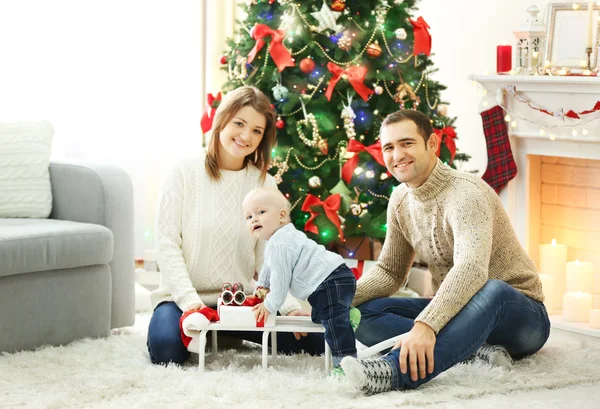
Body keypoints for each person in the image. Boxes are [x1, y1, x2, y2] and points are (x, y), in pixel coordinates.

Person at [340, 110, 550, 394]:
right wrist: (336, 301)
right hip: (462, 316)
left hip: (523, 317)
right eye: (389, 147)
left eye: (407, 143)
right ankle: (474, 351)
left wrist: (426, 325)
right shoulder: (400, 199)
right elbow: (389, 273)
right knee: (362, 313)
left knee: (492, 289)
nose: (397, 154)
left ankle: (392, 372)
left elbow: (471, 269)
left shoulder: (466, 194)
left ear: (432, 144)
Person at [147, 86, 324, 365]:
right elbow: (168, 244)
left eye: (256, 130)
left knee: (313, 342)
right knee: (167, 351)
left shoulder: (264, 183)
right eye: (239, 124)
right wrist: (191, 303)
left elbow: (272, 255)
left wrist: (288, 307)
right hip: (182, 299)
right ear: (222, 120)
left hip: (240, 300)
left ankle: (225, 331)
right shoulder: (183, 171)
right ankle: (217, 332)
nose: (246, 136)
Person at [242, 187, 361, 374]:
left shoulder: (280, 243)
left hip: (330, 279)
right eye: (248, 217)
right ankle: (347, 316)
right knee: (319, 317)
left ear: (281, 216)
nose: (254, 219)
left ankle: (345, 367)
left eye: (261, 212)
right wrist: (260, 289)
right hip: (333, 278)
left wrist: (269, 305)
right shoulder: (278, 240)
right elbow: (267, 269)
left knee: (333, 324)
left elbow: (280, 281)